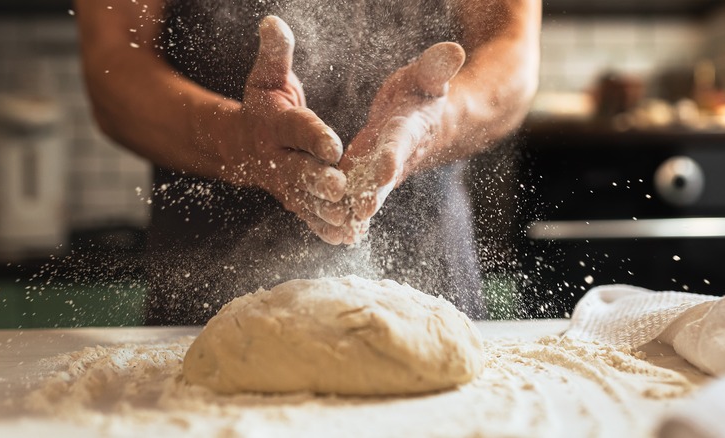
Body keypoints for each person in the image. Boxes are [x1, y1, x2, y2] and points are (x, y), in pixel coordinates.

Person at [74, 0, 541, 324]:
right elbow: (113, 66)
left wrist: (432, 124)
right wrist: (239, 142)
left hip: (429, 277)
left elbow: (512, 54)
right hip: (206, 288)